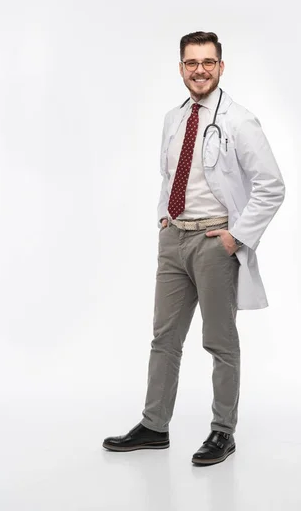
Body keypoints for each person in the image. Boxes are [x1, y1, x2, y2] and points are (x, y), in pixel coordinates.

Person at [103, 31, 285, 465]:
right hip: (174, 239)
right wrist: (165, 217)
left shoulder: (240, 121)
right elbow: (170, 175)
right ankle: (154, 425)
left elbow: (272, 187)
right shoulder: (173, 118)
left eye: (207, 62)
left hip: (213, 242)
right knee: (164, 339)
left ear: (221, 67)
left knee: (219, 341)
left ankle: (223, 431)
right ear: (181, 68)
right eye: (191, 63)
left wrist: (235, 237)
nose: (199, 70)